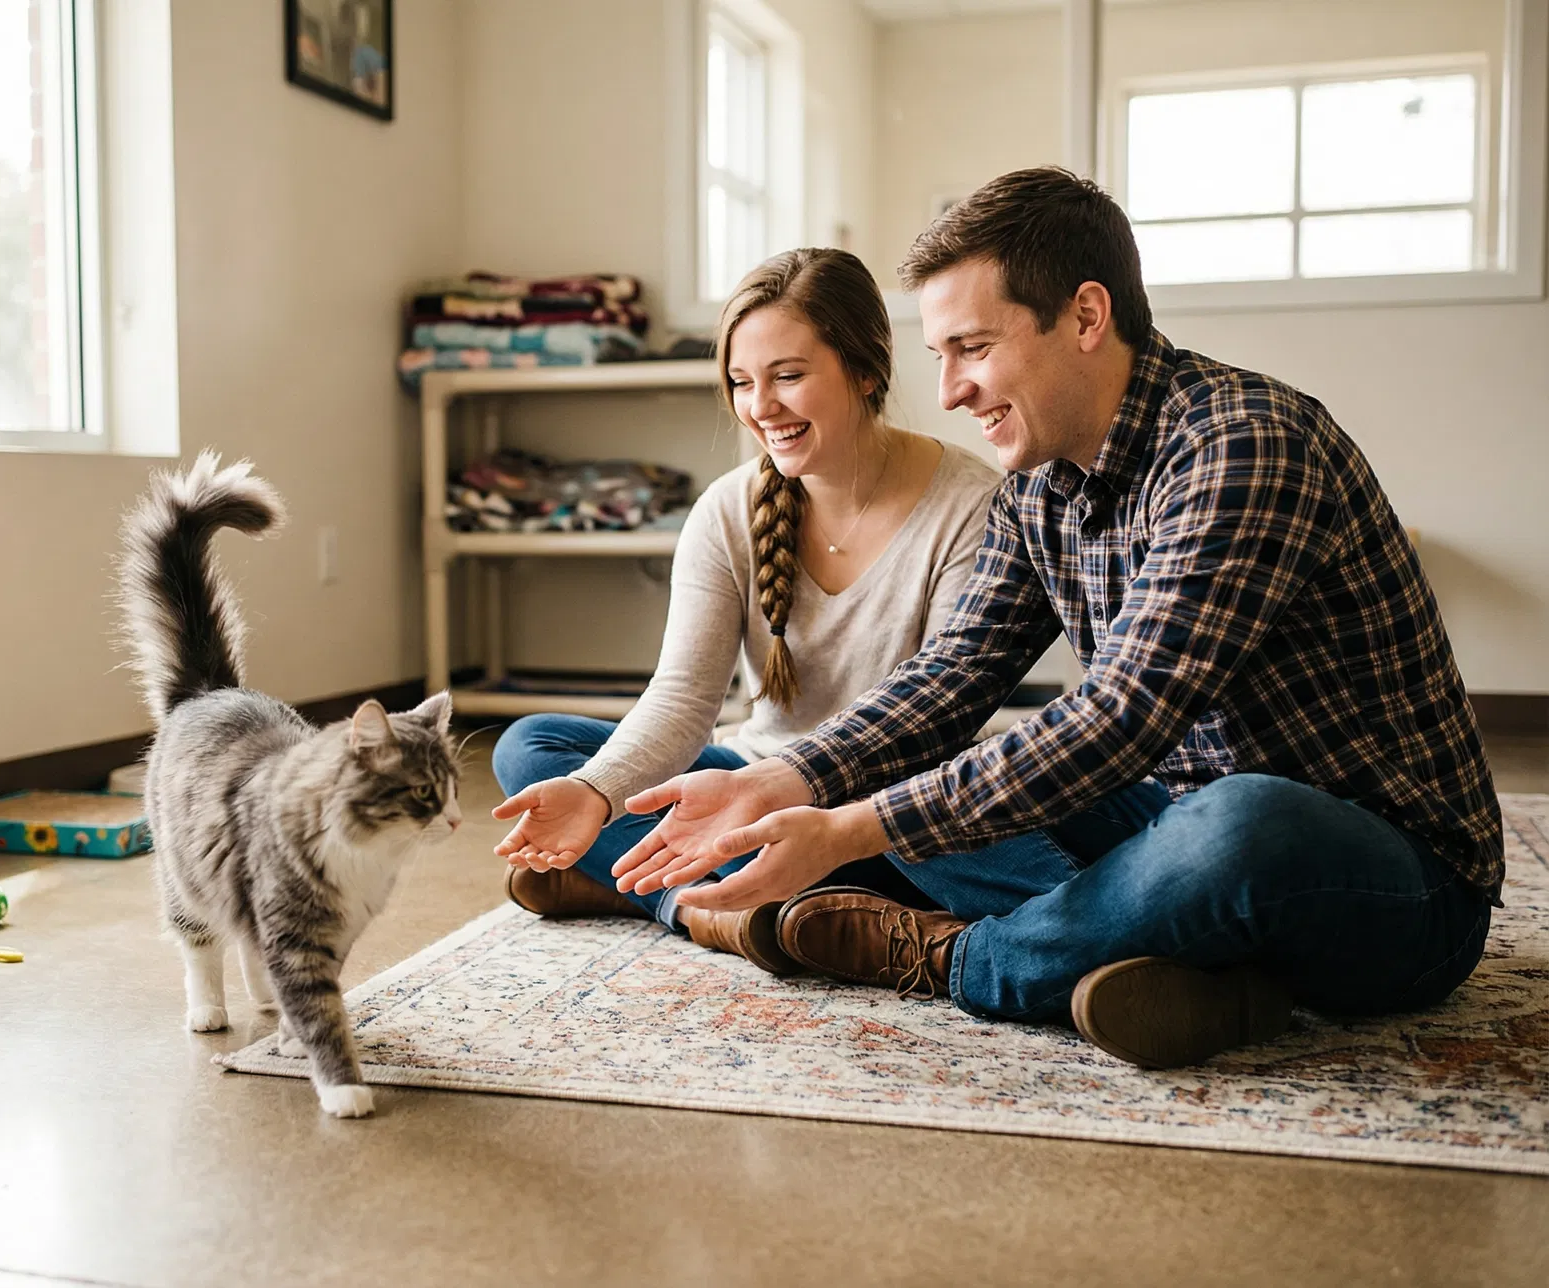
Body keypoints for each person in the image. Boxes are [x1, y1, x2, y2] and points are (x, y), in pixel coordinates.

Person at [609, 167, 1503, 1070]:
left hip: (1393, 880)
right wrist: (790, 780)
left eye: (974, 349)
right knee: (919, 760)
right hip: (1172, 817)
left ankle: (968, 958)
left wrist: (851, 831)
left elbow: (1122, 716)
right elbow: (949, 678)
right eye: (939, 358)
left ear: (1084, 317)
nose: (952, 390)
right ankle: (1166, 960)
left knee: (1242, 821)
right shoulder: (1038, 485)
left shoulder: (1243, 443)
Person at [490, 247, 1002, 972]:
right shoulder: (728, 510)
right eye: (741, 382)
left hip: (874, 801)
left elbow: (942, 713)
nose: (761, 407)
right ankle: (709, 908)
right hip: (744, 783)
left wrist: (803, 799)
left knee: (970, 842)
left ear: (865, 370)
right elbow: (683, 699)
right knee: (532, 747)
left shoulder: (970, 504)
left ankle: (640, 884)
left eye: (788, 376)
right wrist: (594, 793)